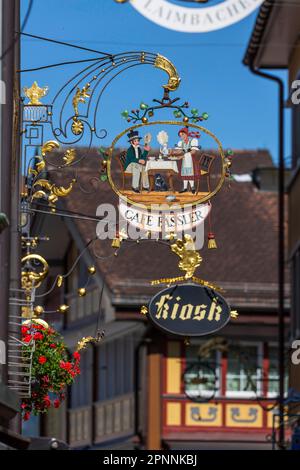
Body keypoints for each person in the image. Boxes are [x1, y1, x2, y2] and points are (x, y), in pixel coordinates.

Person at [170, 127, 200, 193]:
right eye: (180, 136)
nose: (182, 137)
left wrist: (184, 154)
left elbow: (193, 151)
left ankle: (192, 187)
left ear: (186, 134)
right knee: (185, 172)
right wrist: (173, 152)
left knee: (190, 173)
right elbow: (180, 151)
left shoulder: (192, 141)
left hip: (191, 160)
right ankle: (185, 187)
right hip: (185, 160)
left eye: (183, 135)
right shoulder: (181, 142)